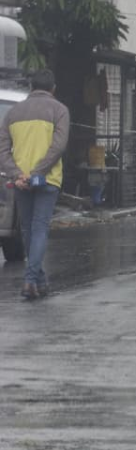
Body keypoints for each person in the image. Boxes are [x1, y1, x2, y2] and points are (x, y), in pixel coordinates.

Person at [0, 69, 70, 301]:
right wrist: (37, 173)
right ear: (53, 89)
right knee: (39, 228)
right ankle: (31, 280)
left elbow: (2, 150)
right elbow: (58, 147)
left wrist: (17, 174)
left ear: (31, 88)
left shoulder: (13, 112)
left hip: (20, 181)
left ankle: (39, 280)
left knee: (29, 230)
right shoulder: (60, 110)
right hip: (47, 179)